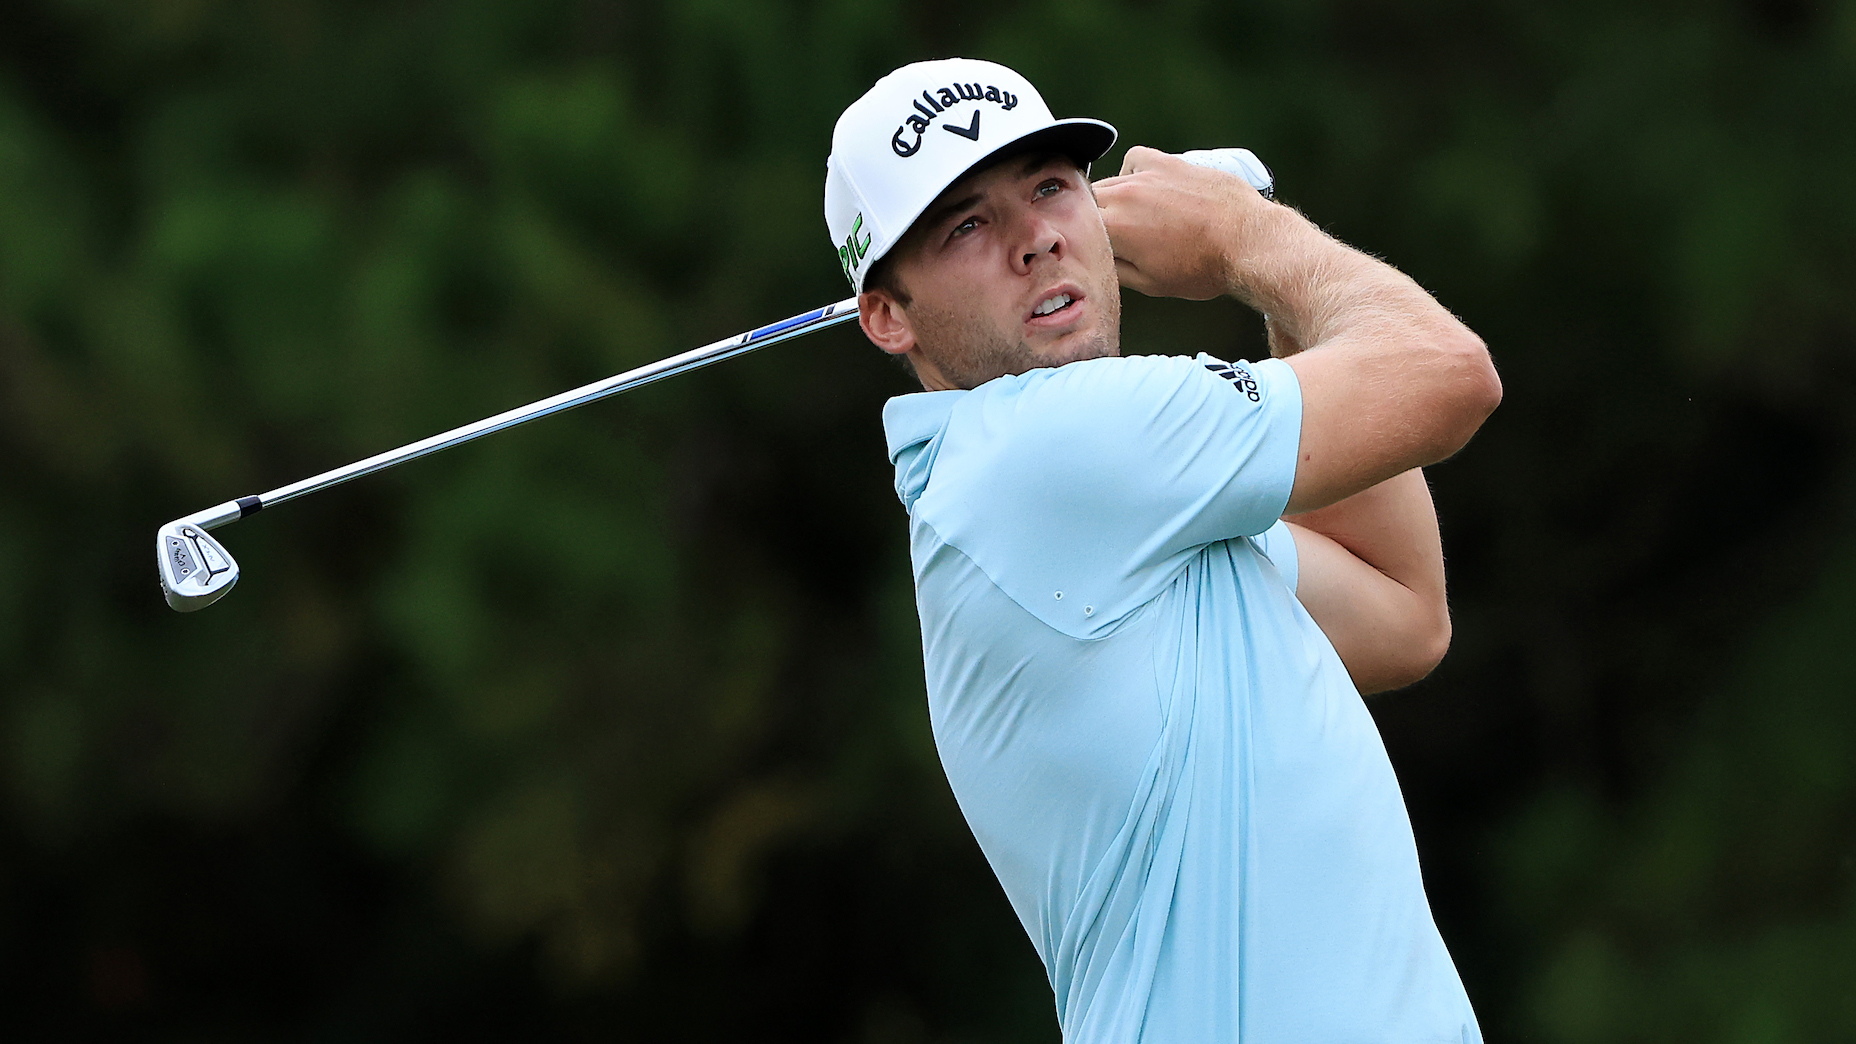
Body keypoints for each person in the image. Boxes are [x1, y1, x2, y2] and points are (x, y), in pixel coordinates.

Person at [825, 57, 1501, 1043]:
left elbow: (1402, 613)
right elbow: (1446, 374)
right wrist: (1242, 234)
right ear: (886, 315)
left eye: (1051, 187)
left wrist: (1268, 273)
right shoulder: (1051, 451)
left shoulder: (1115, 518)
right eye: (964, 225)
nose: (1035, 239)